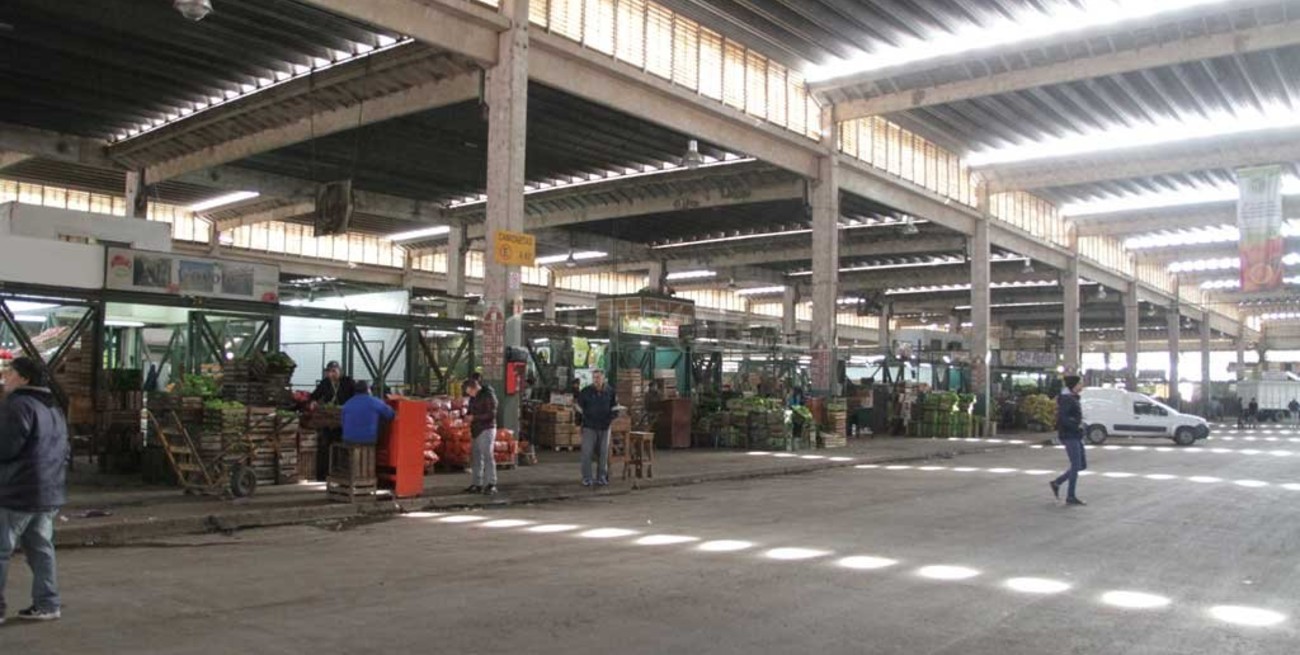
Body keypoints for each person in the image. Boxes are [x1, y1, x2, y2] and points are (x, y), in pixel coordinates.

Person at [0, 357, 69, 623]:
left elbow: (6, 448)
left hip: (17, 492)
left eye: (11, 372)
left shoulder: (18, 405)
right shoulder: (53, 406)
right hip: (47, 492)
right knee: (41, 549)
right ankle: (48, 604)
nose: (6, 376)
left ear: (25, 379)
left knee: (2, 551)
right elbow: (65, 450)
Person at [310, 361, 355, 480]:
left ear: (340, 371)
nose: (331, 374)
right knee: (325, 446)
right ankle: (323, 474)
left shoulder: (347, 382)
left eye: (334, 371)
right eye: (329, 372)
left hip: (345, 419)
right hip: (329, 419)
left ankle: (342, 472)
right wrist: (313, 401)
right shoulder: (325, 383)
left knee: (342, 446)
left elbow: (356, 396)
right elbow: (314, 395)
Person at [1050, 375, 1087, 507]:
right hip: (1069, 435)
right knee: (1076, 465)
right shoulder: (1066, 399)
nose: (1082, 386)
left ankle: (1057, 482)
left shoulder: (1073, 398)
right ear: (1073, 385)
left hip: (1076, 435)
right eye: (1080, 383)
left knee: (1082, 465)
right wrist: (1076, 425)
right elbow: (1063, 418)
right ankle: (1070, 496)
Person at [576, 369, 617, 487]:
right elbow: (578, 409)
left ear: (603, 378)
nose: (596, 380)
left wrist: (610, 419)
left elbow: (615, 408)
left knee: (603, 453)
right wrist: (579, 424)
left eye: (598, 377)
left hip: (605, 427)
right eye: (594, 378)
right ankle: (587, 478)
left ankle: (601, 477)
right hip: (589, 427)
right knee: (587, 453)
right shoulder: (585, 392)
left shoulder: (610, 392)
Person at [464, 374, 499, 496]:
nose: (470, 395)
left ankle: (491, 483)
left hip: (487, 429)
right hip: (476, 429)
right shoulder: (473, 398)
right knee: (476, 457)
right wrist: (467, 416)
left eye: (470, 392)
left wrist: (474, 417)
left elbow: (491, 414)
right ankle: (476, 483)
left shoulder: (488, 395)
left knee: (488, 456)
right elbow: (470, 409)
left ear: (475, 388)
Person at [339, 381, 394, 447]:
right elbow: (390, 414)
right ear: (368, 390)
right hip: (368, 440)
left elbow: (343, 422)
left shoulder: (347, 403)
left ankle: (354, 456)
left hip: (348, 439)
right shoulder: (375, 401)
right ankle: (372, 455)